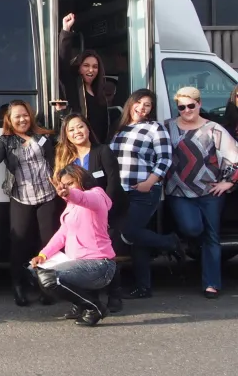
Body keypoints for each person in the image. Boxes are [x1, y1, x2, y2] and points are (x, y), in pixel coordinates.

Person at [0, 100, 58, 307]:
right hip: (21, 196)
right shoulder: (6, 141)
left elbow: (57, 158)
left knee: (47, 243)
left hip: (47, 195)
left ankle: (46, 287)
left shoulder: (44, 137)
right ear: (10, 121)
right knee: (19, 242)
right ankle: (18, 286)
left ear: (31, 116)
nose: (22, 119)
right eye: (17, 117)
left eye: (25, 115)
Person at [165, 87, 238, 299]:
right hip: (177, 192)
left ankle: (212, 284)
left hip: (210, 193)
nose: (186, 110)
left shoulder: (214, 129)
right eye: (182, 107)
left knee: (212, 237)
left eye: (191, 105)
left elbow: (234, 156)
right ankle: (180, 246)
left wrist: (228, 182)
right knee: (192, 228)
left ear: (199, 104)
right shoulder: (167, 127)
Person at [110, 89, 182, 299]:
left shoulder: (154, 128)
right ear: (130, 103)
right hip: (121, 191)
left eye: (147, 105)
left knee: (130, 231)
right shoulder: (120, 129)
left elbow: (166, 158)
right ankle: (143, 287)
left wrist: (150, 182)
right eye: (139, 103)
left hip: (144, 191)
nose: (142, 108)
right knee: (137, 237)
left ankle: (171, 242)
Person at [54, 113, 126, 314]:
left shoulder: (103, 151)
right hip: (81, 215)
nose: (77, 132)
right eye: (71, 130)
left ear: (88, 129)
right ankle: (86, 301)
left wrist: (106, 212)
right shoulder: (66, 158)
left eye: (80, 127)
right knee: (81, 258)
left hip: (107, 211)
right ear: (66, 135)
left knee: (108, 255)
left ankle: (115, 295)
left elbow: (113, 183)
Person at [31, 165, 116, 327]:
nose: (65, 187)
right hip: (79, 263)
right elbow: (63, 233)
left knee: (49, 278)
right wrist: (43, 255)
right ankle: (80, 305)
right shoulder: (72, 205)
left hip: (100, 265)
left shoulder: (97, 195)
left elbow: (84, 198)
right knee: (34, 270)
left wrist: (70, 193)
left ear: (82, 180)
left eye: (70, 183)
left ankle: (94, 307)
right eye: (64, 185)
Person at [58, 13, 109, 144]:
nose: (91, 70)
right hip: (78, 146)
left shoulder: (99, 91)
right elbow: (63, 61)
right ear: (78, 68)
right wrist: (66, 31)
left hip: (97, 148)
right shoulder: (73, 85)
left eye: (95, 66)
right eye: (86, 65)